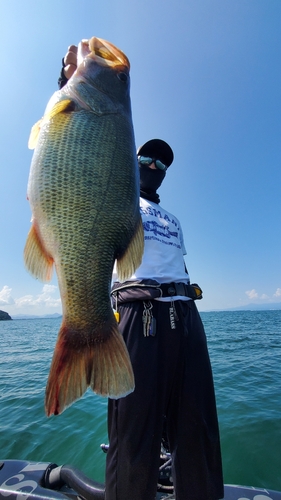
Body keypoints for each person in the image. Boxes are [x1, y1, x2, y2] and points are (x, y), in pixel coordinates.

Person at [58, 46, 224, 500]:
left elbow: (180, 265)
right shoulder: (118, 195)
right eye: (147, 160)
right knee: (132, 435)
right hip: (137, 314)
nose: (154, 167)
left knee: (199, 429)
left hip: (185, 318)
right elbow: (79, 161)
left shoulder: (173, 219)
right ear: (131, 164)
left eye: (162, 164)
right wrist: (69, 84)